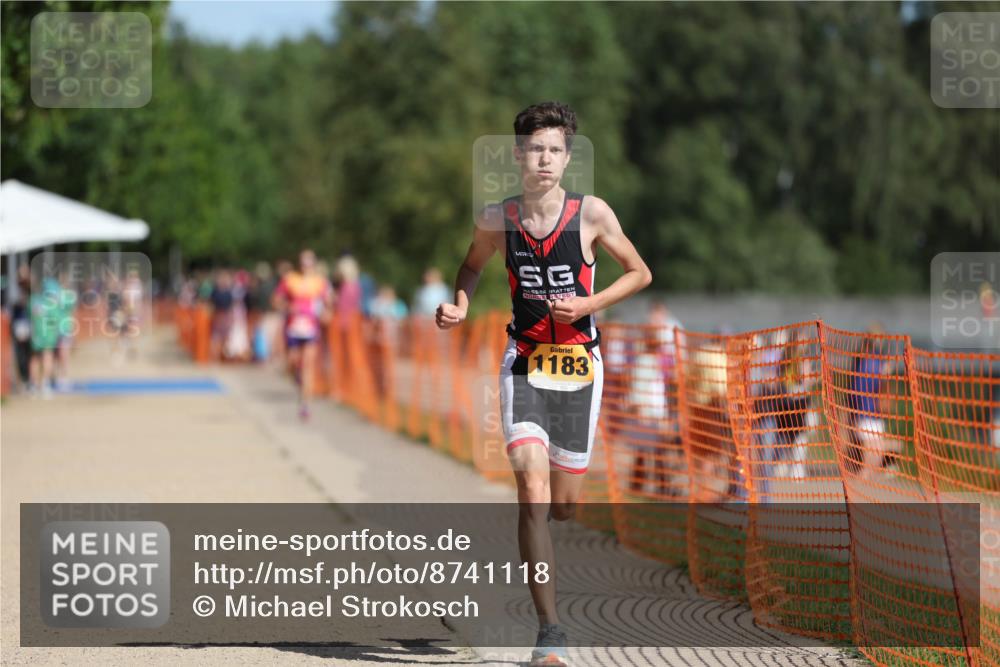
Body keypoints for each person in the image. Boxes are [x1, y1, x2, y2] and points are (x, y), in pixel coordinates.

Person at [435, 102, 651, 667]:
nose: (545, 159)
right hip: (525, 359)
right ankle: (549, 632)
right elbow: (471, 267)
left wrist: (588, 303)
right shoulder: (496, 218)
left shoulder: (592, 214)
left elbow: (640, 272)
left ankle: (556, 525)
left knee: (564, 507)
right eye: (535, 149)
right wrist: (459, 305)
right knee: (531, 494)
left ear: (568, 157)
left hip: (579, 366)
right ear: (517, 156)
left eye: (555, 150)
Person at [272, 249, 333, 420]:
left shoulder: (320, 282)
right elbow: (276, 300)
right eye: (303, 261)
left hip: (311, 328)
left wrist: (327, 313)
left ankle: (305, 404)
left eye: (309, 261)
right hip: (293, 328)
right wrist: (287, 307)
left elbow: (329, 303)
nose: (306, 265)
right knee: (292, 362)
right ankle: (297, 378)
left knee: (308, 364)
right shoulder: (290, 280)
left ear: (314, 263)